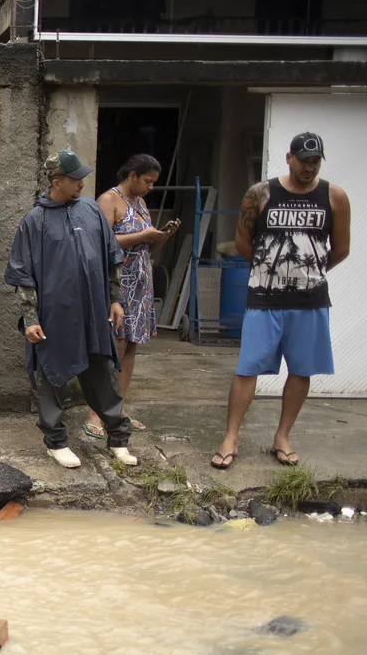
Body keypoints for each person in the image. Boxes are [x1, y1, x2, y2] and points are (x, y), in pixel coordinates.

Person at [211, 132, 351, 469]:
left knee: (301, 369)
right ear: (289, 158)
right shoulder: (260, 194)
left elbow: (341, 249)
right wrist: (270, 272)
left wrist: (310, 273)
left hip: (310, 299)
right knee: (248, 368)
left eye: (315, 161)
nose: (309, 167)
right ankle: (230, 437)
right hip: (264, 297)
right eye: (304, 160)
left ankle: (282, 436)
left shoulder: (334, 196)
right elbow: (244, 244)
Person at [5, 150, 139, 469]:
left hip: (93, 312)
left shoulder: (91, 210)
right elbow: (23, 275)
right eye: (75, 179)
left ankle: (118, 440)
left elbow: (111, 258)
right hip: (55, 316)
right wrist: (31, 319)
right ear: (57, 182)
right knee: (52, 376)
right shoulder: (34, 221)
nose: (81, 183)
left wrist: (115, 299)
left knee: (103, 374)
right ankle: (56, 442)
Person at [83, 154, 180, 438]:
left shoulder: (140, 203)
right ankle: (96, 413)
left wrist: (161, 235)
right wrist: (141, 236)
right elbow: (100, 242)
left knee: (132, 344)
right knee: (114, 346)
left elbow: (146, 244)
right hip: (117, 283)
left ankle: (118, 409)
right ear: (133, 175)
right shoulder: (109, 200)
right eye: (147, 181)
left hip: (140, 282)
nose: (150, 187)